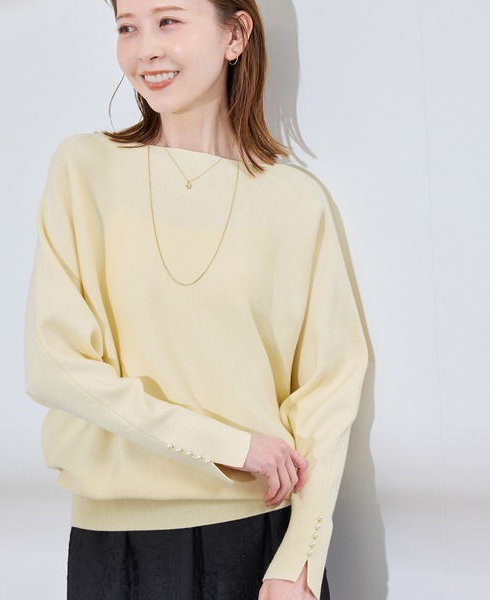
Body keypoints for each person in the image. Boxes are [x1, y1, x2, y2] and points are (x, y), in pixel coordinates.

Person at [24, 0, 368, 598]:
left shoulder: (295, 201)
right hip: (116, 550)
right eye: (127, 27)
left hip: (258, 541)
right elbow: (54, 364)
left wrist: (302, 556)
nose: (145, 48)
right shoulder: (84, 169)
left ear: (236, 34)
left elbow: (328, 392)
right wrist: (229, 446)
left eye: (169, 20)